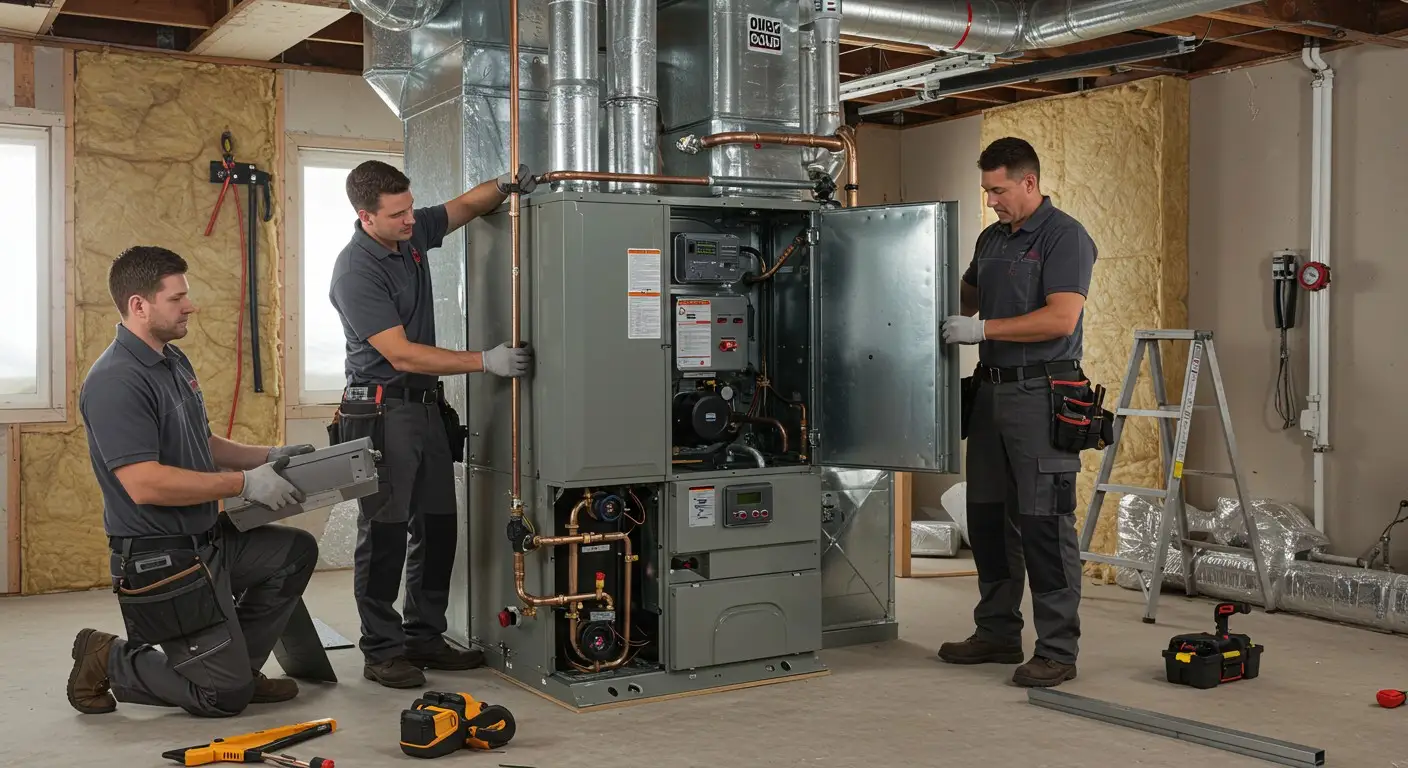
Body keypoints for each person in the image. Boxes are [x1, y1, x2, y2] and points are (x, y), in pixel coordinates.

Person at [67, 246, 320, 718]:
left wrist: (270, 455)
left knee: (293, 552)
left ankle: (237, 670)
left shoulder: (172, 360)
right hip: (161, 556)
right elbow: (144, 484)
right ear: (139, 305)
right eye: (176, 298)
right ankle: (107, 655)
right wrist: (243, 484)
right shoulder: (115, 381)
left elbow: (201, 441)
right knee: (220, 700)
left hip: (206, 539)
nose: (190, 306)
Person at [328, 161, 535, 689]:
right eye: (396, 214)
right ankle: (382, 650)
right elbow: (399, 354)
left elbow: (463, 207)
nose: (409, 219)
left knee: (438, 526)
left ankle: (423, 636)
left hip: (423, 408)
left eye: (409, 207)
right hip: (380, 411)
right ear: (365, 217)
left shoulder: (410, 231)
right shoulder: (355, 271)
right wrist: (484, 361)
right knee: (385, 533)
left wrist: (505, 185)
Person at [938, 137, 1098, 688]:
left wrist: (982, 329)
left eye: (998, 190)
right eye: (987, 191)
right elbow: (963, 298)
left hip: (1040, 395)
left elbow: (1060, 319)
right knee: (986, 519)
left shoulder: (1064, 236)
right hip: (990, 394)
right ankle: (997, 631)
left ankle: (1057, 650)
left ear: (1029, 182)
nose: (991, 201)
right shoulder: (991, 238)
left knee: (1044, 524)